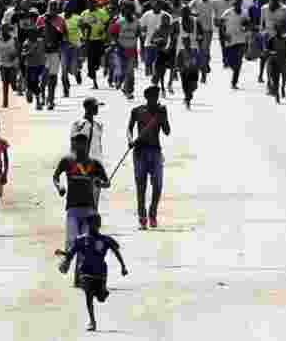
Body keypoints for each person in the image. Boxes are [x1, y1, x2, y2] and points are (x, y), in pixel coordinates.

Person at [57, 215, 129, 332]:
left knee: (101, 298)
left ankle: (102, 292)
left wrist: (123, 266)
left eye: (96, 223)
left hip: (101, 273)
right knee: (88, 295)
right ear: (88, 225)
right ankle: (92, 321)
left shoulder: (105, 239)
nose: (94, 226)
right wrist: (63, 254)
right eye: (92, 223)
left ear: (99, 225)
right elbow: (71, 254)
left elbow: (116, 251)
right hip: (86, 272)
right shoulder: (80, 240)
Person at [53, 131, 111, 257]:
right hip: (72, 208)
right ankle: (66, 262)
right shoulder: (67, 161)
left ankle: (82, 272)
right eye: (77, 143)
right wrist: (59, 187)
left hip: (89, 210)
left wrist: (99, 183)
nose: (80, 146)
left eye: (83, 143)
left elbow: (107, 182)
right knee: (71, 243)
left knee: (86, 244)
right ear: (73, 144)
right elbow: (56, 177)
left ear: (87, 144)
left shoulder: (95, 164)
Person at [126, 85, 171, 229]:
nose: (155, 99)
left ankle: (153, 212)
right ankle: (142, 215)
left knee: (158, 185)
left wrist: (163, 119)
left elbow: (167, 131)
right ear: (147, 97)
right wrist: (130, 140)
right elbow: (129, 128)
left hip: (155, 152)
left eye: (157, 97)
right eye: (152, 97)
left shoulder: (161, 111)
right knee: (141, 186)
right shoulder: (137, 111)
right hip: (139, 152)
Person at [221, 0, 249, 89]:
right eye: (235, 1)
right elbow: (221, 24)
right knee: (230, 61)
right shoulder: (227, 12)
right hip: (230, 40)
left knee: (238, 61)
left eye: (239, 1)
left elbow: (247, 24)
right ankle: (235, 70)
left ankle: (234, 82)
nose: (237, 3)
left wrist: (246, 27)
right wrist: (224, 35)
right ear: (233, 2)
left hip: (241, 40)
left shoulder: (245, 12)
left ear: (241, 2)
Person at [265, 25, 286, 104]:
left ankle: (283, 88)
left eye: (280, 30)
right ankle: (277, 95)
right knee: (275, 80)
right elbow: (267, 50)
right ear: (275, 31)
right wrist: (272, 52)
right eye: (277, 30)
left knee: (284, 78)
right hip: (274, 62)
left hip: (284, 62)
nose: (279, 32)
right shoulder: (271, 39)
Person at [0, 24, 20, 108]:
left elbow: (19, 50)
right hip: (2, 63)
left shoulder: (14, 39)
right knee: (5, 83)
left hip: (13, 64)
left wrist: (14, 55)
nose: (4, 31)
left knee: (12, 83)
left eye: (6, 29)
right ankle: (5, 102)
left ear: (8, 30)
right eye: (2, 29)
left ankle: (17, 86)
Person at [23, 30, 47, 110]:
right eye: (31, 35)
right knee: (33, 84)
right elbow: (24, 53)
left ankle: (39, 100)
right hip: (31, 66)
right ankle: (37, 100)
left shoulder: (41, 41)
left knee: (39, 83)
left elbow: (46, 48)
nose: (34, 36)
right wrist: (30, 51)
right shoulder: (26, 43)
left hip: (41, 65)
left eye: (35, 34)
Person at [176, 35, 202, 109]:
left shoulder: (194, 50)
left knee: (193, 87)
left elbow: (198, 60)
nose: (186, 43)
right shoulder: (181, 52)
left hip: (194, 72)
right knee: (185, 87)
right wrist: (178, 68)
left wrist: (200, 67)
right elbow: (178, 62)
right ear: (183, 43)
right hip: (184, 73)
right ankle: (188, 100)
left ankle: (188, 96)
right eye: (184, 42)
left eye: (188, 42)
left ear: (190, 42)